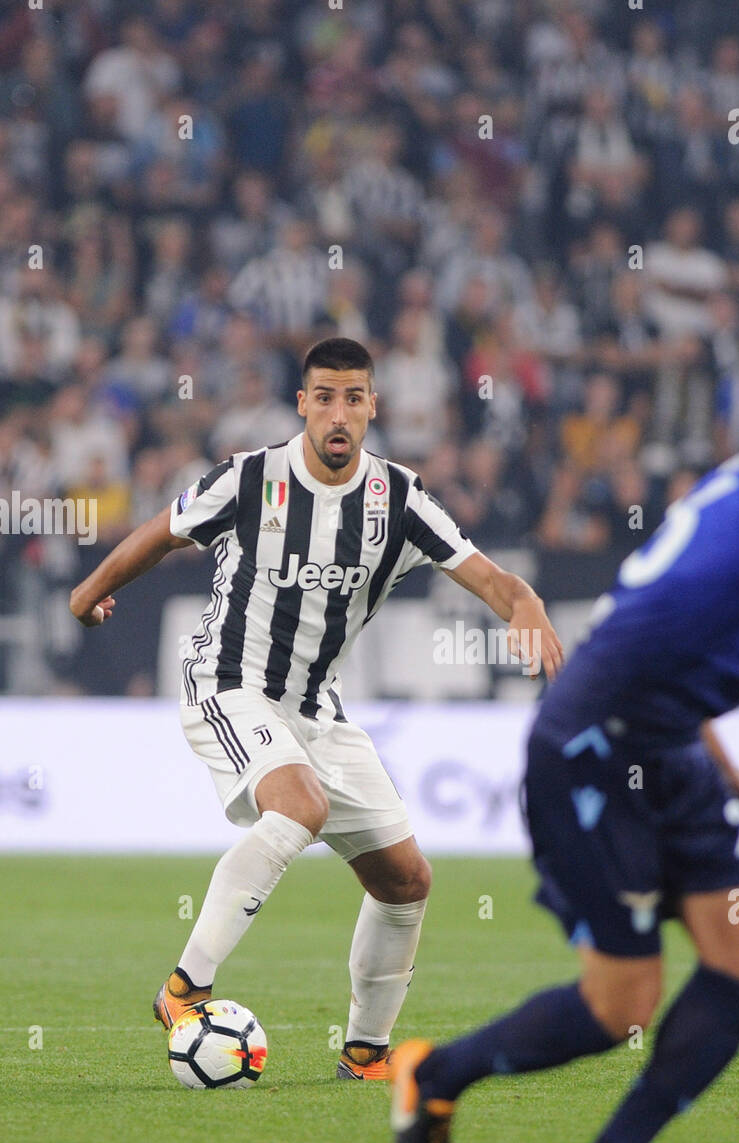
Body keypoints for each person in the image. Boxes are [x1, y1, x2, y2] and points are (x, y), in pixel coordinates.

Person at [391, 327, 739, 1143]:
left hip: (667, 745)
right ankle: (434, 1076)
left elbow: (672, 624)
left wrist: (724, 758)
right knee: (619, 1004)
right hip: (594, 747)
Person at [69, 337, 563, 1081]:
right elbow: (162, 533)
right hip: (227, 682)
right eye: (324, 397)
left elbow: (489, 578)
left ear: (372, 406)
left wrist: (526, 606)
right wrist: (89, 590)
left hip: (314, 709)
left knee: (405, 880)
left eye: (353, 398)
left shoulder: (399, 498)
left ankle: (365, 1054)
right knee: (297, 804)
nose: (338, 413)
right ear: (302, 403)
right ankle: (184, 989)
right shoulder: (250, 478)